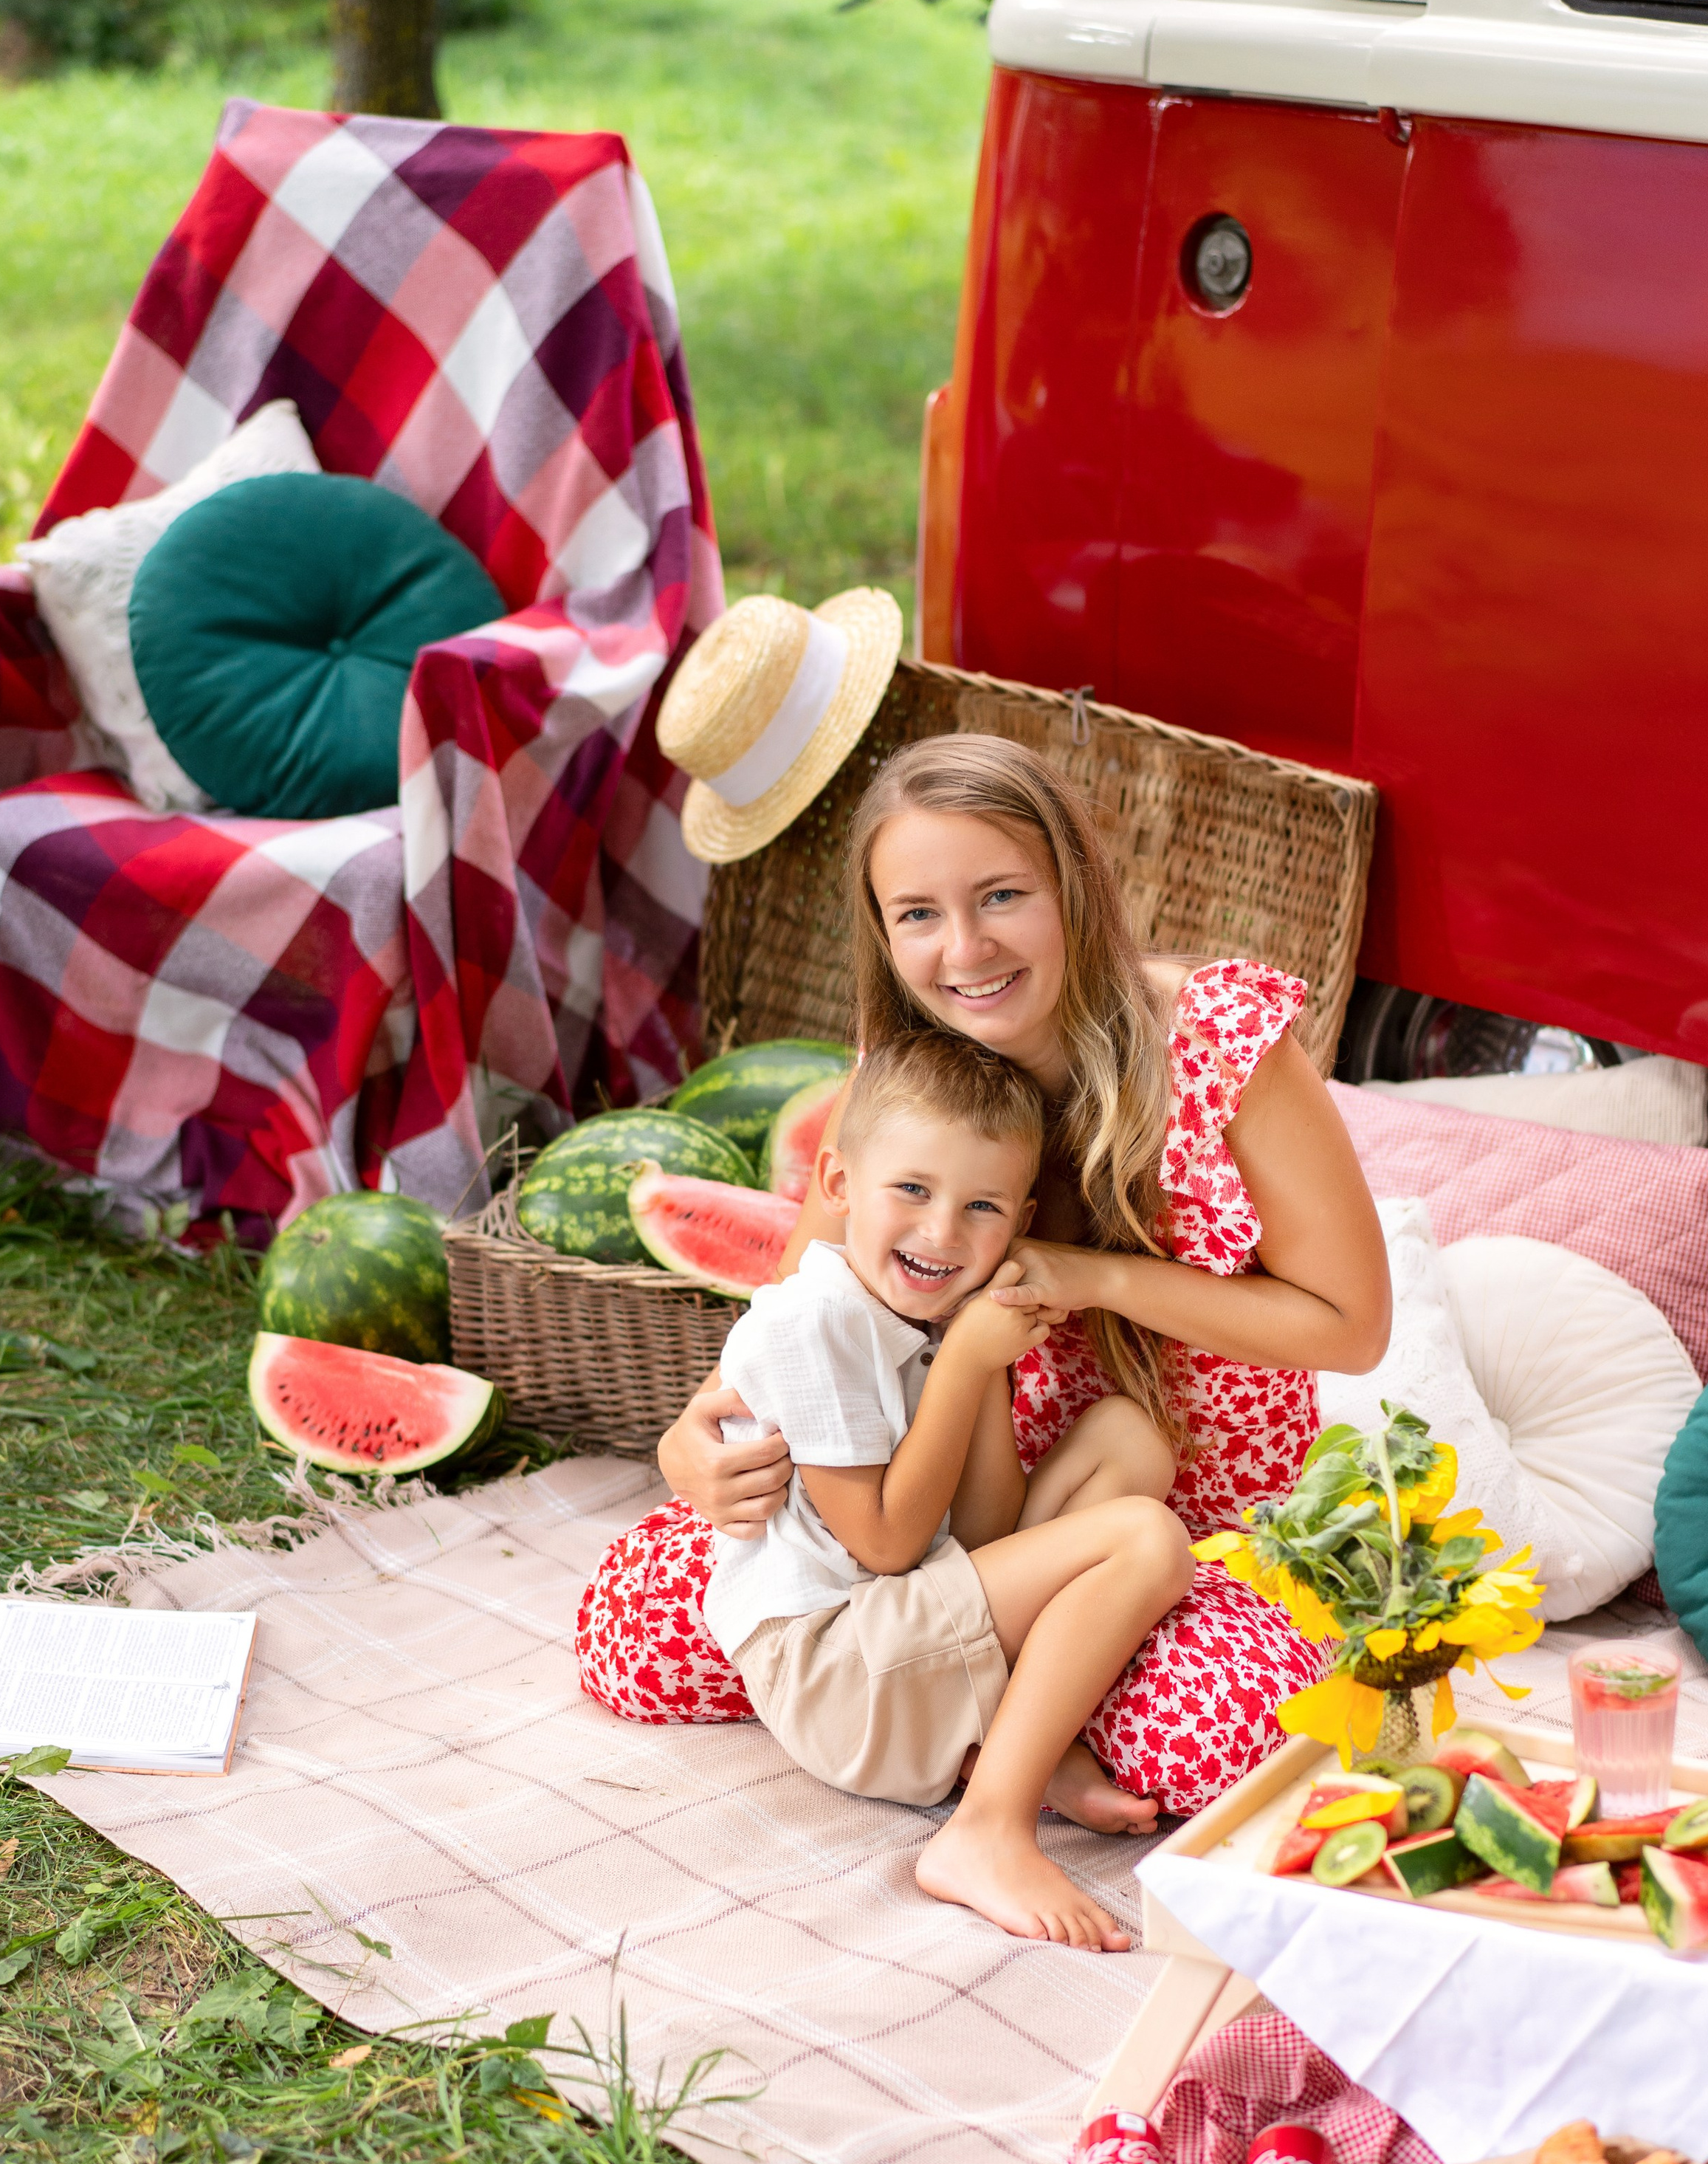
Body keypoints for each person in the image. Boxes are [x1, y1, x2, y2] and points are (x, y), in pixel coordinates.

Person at [577, 732, 1391, 1813]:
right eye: (917, 915)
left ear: (1076, 892)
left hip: (1170, 1525)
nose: (963, 949)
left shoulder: (1219, 1042)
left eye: (1001, 896)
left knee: (1208, 1742)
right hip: (916, 1505)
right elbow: (804, 1311)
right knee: (628, 1627)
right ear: (883, 932)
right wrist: (696, 1443)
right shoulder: (909, 1075)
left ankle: (977, 1725)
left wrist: (1090, 1277)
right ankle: (1005, 1725)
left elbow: (1351, 1326)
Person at [703, 1020, 1191, 1949]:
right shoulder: (815, 1323)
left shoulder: (918, 1317)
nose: (941, 1230)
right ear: (840, 1186)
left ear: (1019, 1223)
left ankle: (1018, 1749)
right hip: (832, 1669)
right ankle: (985, 1830)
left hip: (899, 1633)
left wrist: (983, 1358)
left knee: (1127, 1441)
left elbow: (981, 1529)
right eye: (913, 1190)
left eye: (982, 1208)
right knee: (1145, 1539)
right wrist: (965, 1362)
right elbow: (884, 1544)